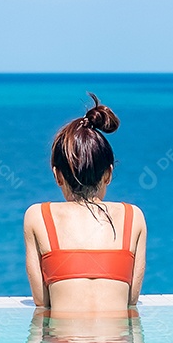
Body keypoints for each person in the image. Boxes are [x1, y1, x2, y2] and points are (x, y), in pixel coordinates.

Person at [23, 94, 147, 315]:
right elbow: (131, 299)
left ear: (57, 175)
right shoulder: (133, 217)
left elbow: (42, 301)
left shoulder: (38, 216)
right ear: (108, 174)